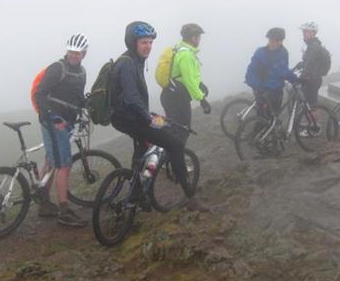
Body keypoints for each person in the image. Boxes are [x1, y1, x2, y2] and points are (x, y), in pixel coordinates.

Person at [110, 21, 209, 212]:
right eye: (143, 42)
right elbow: (131, 98)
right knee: (176, 144)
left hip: (125, 117)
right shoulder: (128, 64)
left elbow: (131, 98)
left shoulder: (132, 60)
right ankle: (190, 196)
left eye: (150, 42)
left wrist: (147, 114)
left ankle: (137, 196)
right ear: (133, 43)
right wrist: (149, 118)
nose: (148, 46)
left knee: (142, 151)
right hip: (131, 119)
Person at [33, 34, 90, 227]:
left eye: (78, 53)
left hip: (67, 121)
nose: (74, 56)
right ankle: (64, 212)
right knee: (64, 165)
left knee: (51, 159)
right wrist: (52, 116)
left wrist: (87, 105)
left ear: (84, 53)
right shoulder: (58, 68)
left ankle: (44, 204)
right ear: (67, 51)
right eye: (71, 52)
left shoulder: (81, 72)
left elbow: (77, 96)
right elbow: (40, 94)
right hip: (53, 121)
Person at [160, 23, 211, 143]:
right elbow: (188, 80)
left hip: (172, 96)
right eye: (198, 36)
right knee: (181, 132)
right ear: (193, 37)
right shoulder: (186, 55)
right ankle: (174, 159)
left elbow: (186, 75)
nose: (200, 39)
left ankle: (171, 157)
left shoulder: (181, 49)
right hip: (176, 99)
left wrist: (200, 84)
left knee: (175, 132)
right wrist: (202, 100)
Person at [244, 27, 299, 117]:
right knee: (263, 115)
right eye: (271, 40)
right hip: (263, 89)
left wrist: (295, 79)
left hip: (276, 89)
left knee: (272, 115)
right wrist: (257, 86)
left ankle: (270, 127)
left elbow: (284, 71)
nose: (273, 43)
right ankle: (261, 128)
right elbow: (251, 70)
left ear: (281, 41)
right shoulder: (260, 52)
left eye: (276, 41)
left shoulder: (283, 52)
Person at [296, 21, 332, 122]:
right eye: (303, 32)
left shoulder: (313, 47)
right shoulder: (313, 45)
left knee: (311, 104)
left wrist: (301, 77)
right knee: (311, 103)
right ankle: (312, 125)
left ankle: (314, 126)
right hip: (313, 78)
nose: (303, 34)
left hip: (312, 79)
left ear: (312, 33)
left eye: (306, 32)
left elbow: (310, 65)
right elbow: (309, 63)